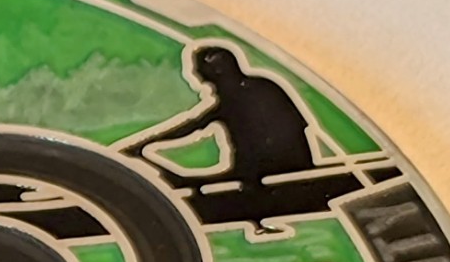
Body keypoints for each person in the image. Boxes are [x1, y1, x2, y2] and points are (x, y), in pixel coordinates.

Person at [118, 43, 316, 188]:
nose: (201, 82)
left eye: (206, 77)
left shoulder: (238, 99)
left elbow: (193, 126)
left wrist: (142, 146)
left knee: (185, 184)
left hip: (264, 175)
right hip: (280, 169)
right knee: (184, 181)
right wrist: (147, 145)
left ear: (219, 73)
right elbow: (193, 126)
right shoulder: (260, 88)